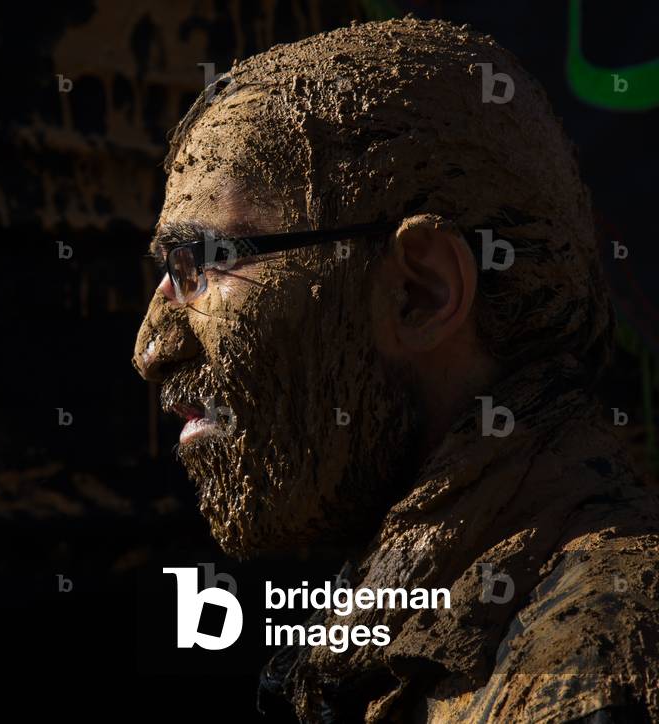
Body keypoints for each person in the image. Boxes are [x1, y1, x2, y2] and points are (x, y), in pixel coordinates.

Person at [132, 17, 659, 723]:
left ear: (421, 292)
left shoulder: (591, 659)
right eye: (168, 274)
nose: (151, 347)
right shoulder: (421, 635)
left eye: (203, 264)